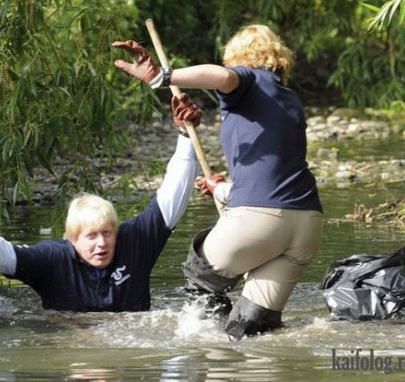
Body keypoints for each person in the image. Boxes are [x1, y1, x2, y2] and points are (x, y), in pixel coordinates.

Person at [112, 24, 324, 340]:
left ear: (240, 59)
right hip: (306, 226)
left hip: (260, 221)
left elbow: (224, 79)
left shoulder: (249, 79)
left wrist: (162, 77)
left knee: (201, 276)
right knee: (251, 332)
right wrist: (221, 189)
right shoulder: (289, 99)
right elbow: (273, 174)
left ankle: (204, 354)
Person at [0, 92, 203, 312]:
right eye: (91, 236)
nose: (102, 243)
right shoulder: (54, 260)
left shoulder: (134, 241)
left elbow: (171, 197)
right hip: (71, 338)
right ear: (71, 239)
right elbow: (5, 255)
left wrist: (186, 137)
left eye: (107, 233)